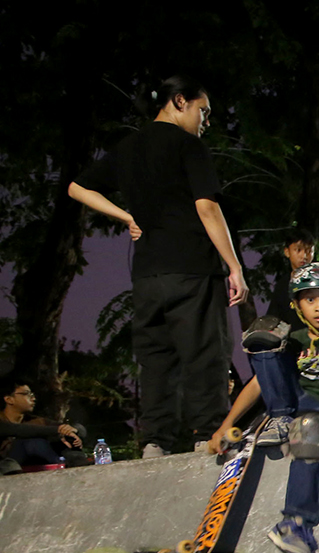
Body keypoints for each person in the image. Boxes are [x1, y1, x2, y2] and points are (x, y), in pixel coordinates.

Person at [68, 75, 247, 457]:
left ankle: (154, 442)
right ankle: (206, 437)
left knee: (156, 358)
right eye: (204, 111)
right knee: (204, 351)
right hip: (193, 266)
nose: (206, 122)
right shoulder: (189, 146)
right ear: (179, 101)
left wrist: (125, 216)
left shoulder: (128, 147)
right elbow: (207, 207)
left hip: (148, 274)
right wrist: (234, 265)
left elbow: (76, 188)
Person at [209, 262, 319, 553]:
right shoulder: (294, 337)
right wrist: (226, 425)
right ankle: (279, 418)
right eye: (310, 300)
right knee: (265, 335)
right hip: (290, 406)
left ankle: (295, 524)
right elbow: (258, 383)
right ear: (297, 305)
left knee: (309, 427)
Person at [0, 378, 86, 474]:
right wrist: (58, 430)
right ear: (9, 399)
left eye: (32, 394)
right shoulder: (2, 421)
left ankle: (77, 467)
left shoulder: (36, 421)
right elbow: (19, 430)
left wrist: (72, 431)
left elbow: (78, 428)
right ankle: (62, 468)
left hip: (34, 463)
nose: (33, 398)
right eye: (26, 394)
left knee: (64, 444)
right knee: (31, 440)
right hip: (6, 465)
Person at [265, 227, 316, 325]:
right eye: (298, 250)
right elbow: (272, 318)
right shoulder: (282, 285)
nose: (304, 256)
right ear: (287, 252)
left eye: (309, 251)